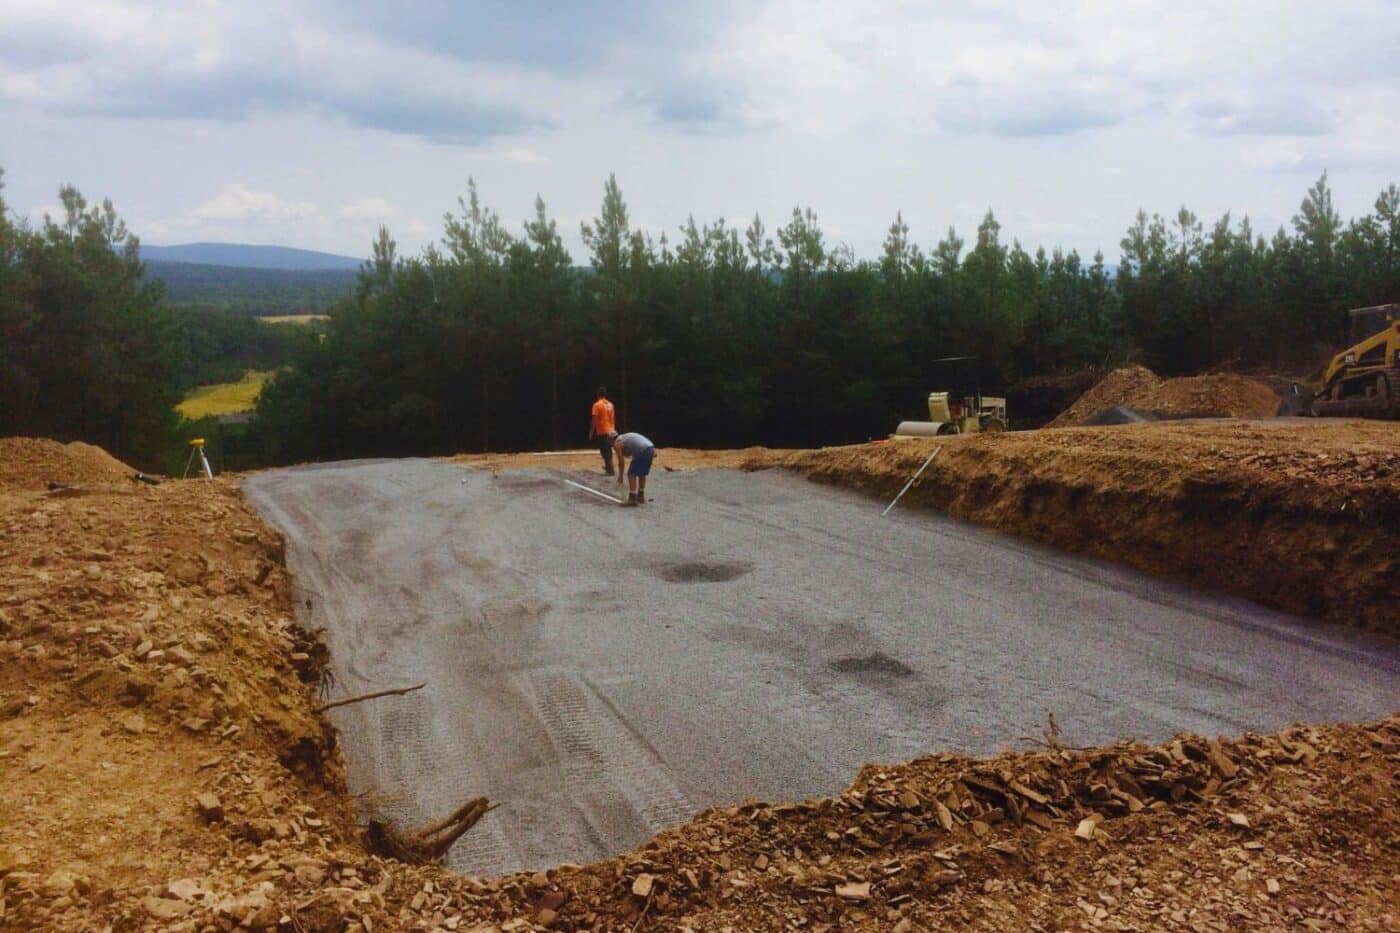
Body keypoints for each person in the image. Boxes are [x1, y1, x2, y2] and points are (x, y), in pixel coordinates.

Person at [612, 431, 656, 506]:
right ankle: (641, 496)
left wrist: (621, 475)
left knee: (631, 474)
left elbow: (621, 461)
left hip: (642, 450)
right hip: (650, 448)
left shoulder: (617, 443)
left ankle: (632, 498)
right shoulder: (625, 437)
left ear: (610, 440)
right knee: (642, 473)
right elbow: (630, 451)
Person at [588, 387, 616, 475]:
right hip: (611, 430)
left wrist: (591, 432)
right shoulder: (611, 404)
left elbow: (594, 419)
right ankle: (609, 466)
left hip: (603, 431)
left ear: (597, 395)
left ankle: (610, 470)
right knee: (608, 450)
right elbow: (613, 418)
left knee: (604, 451)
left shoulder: (597, 405)